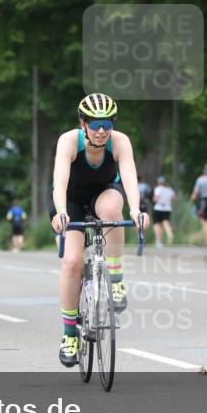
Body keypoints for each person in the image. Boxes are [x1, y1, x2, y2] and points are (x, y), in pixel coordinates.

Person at [49, 93, 146, 368]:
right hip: (70, 199)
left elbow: (129, 178)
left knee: (114, 210)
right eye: (95, 124)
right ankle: (69, 334)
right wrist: (61, 213)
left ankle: (115, 279)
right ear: (83, 124)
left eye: (107, 123)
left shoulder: (120, 141)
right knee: (72, 262)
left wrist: (136, 211)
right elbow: (59, 181)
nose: (102, 130)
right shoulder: (69, 141)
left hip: (105, 192)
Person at [152, 175, 176, 249]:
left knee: (157, 225)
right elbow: (175, 198)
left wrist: (153, 199)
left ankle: (159, 241)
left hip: (158, 208)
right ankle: (170, 234)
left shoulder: (158, 189)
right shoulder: (169, 189)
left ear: (158, 182)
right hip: (167, 208)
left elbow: (156, 198)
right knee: (166, 223)